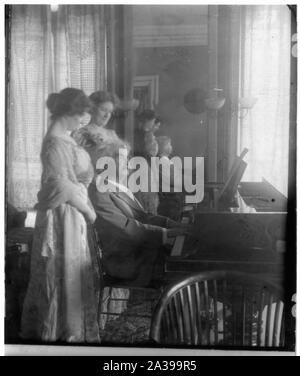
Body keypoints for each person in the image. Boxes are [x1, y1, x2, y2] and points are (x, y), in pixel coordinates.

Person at [21, 88, 100, 343]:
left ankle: (71, 333)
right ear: (69, 112)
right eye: (81, 114)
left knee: (70, 274)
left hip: (70, 213)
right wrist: (88, 211)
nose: (83, 119)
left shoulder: (65, 137)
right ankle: (60, 336)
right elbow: (60, 186)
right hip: (62, 216)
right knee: (59, 274)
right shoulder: (55, 141)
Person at [88, 141, 189, 287]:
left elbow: (143, 216)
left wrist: (170, 224)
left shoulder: (116, 186)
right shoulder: (99, 191)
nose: (129, 163)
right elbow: (126, 227)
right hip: (125, 260)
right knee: (183, 266)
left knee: (187, 251)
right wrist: (166, 233)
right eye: (124, 159)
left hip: (136, 250)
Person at [72, 90, 122, 168]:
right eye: (104, 110)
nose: (107, 115)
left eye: (110, 112)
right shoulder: (80, 134)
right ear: (92, 109)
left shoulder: (112, 134)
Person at [134, 109, 161, 215]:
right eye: (152, 121)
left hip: (144, 165)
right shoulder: (144, 135)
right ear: (147, 120)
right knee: (144, 196)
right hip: (142, 166)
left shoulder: (143, 134)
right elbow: (149, 152)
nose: (153, 124)